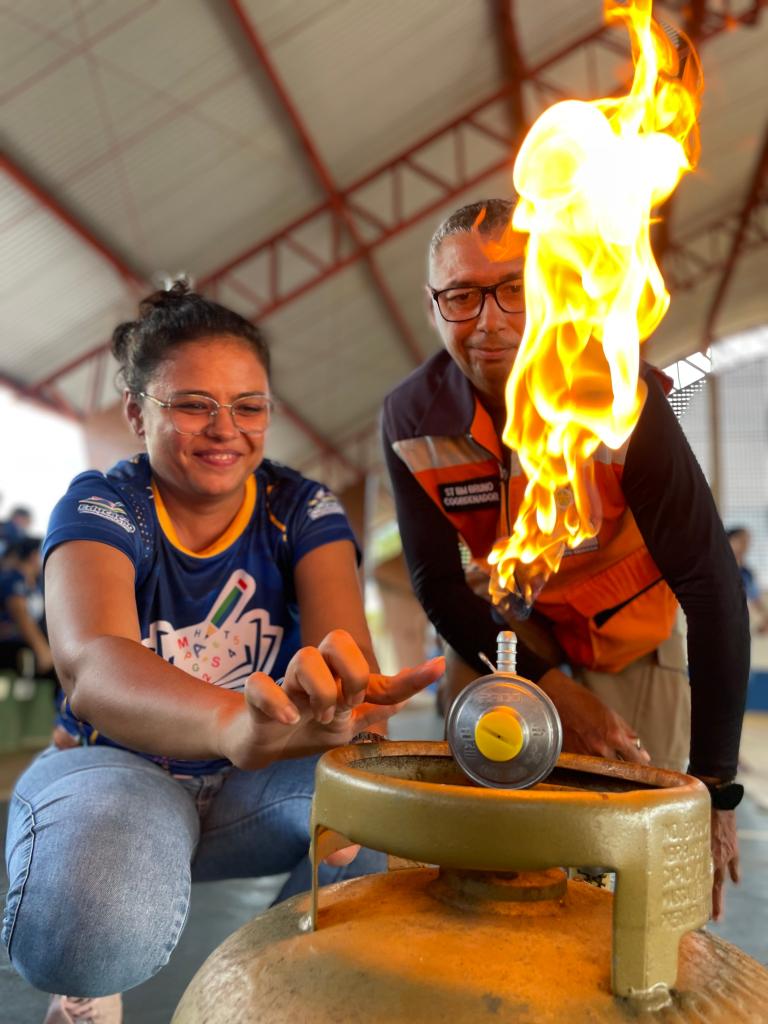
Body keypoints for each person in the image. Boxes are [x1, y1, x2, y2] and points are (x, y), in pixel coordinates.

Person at [2, 283, 443, 1024]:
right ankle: (85, 995)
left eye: (249, 406)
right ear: (137, 410)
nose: (224, 429)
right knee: (83, 924)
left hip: (255, 790)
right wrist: (231, 726)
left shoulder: (299, 507)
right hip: (119, 768)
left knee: (387, 823)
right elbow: (89, 665)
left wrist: (349, 709)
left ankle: (290, 992)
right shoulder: (104, 505)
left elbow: (343, 651)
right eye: (192, 404)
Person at [382, 199, 749, 921]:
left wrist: (714, 787)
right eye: (460, 295)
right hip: (519, 625)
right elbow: (434, 581)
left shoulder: (620, 397)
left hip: (634, 631)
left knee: (651, 830)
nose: (489, 320)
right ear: (433, 308)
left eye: (515, 287)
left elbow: (710, 585)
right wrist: (555, 689)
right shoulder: (411, 419)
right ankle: (482, 917)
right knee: (481, 783)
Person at [0, 536, 53, 676]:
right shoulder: (13, 577)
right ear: (33, 555)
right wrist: (41, 649)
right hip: (10, 646)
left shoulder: (34, 583)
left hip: (23, 645)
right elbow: (20, 613)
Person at [728, 527, 768, 633]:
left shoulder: (746, 573)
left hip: (737, 627)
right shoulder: (716, 569)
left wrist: (765, 618)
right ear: (729, 540)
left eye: (748, 541)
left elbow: (755, 599)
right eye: (741, 540)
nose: (745, 545)